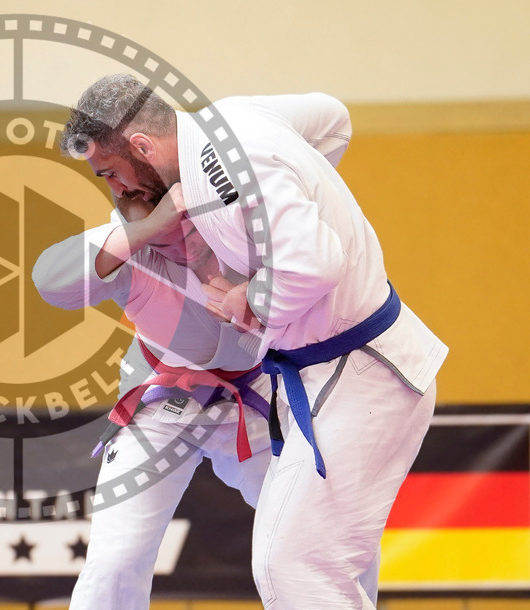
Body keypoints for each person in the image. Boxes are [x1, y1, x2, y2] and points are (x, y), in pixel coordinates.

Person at [58, 75, 447, 609]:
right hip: (219, 391)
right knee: (290, 559)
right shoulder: (235, 118)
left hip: (334, 371)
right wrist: (294, 200)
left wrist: (252, 297)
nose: (117, 189)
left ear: (144, 148)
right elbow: (331, 116)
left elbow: (312, 263)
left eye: (112, 172)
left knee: (298, 561)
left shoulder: (217, 196)